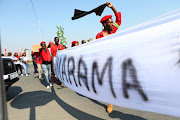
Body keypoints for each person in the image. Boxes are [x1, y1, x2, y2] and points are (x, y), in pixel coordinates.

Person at [96, 2, 121, 114]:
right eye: (110, 23)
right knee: (108, 83)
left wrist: (113, 8)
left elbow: (119, 20)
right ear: (105, 24)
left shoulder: (113, 31)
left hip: (115, 60)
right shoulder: (99, 36)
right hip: (105, 63)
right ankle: (109, 103)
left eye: (112, 22)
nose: (113, 24)